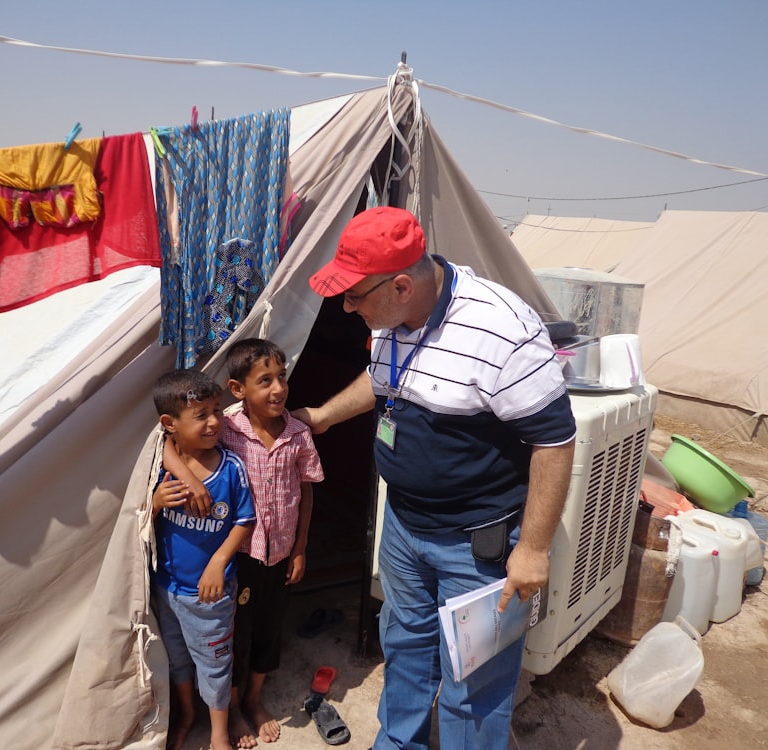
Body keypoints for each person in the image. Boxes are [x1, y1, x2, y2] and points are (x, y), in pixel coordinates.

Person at [294, 206, 577, 750]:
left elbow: (554, 441)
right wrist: (324, 415)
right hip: (404, 526)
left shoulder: (502, 331)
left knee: (474, 679)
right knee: (404, 646)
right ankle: (398, 743)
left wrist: (535, 548)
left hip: (478, 543)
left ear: (401, 286)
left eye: (354, 295)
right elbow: (384, 385)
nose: (345, 306)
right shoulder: (390, 321)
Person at [218, 337, 326, 748]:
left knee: (268, 628)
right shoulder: (226, 428)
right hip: (239, 556)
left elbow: (308, 489)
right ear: (238, 389)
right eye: (265, 380)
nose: (278, 388)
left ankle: (254, 699)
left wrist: (300, 547)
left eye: (282, 377)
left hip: (279, 553)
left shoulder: (298, 435)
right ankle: (228, 707)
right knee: (234, 632)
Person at [150, 369, 256, 750]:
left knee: (214, 665)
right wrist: (157, 503)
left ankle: (218, 735)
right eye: (201, 415)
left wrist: (219, 562)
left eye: (217, 410)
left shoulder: (230, 469)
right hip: (166, 589)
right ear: (170, 424)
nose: (214, 421)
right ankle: (187, 715)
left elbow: (245, 519)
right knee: (177, 659)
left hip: (209, 595)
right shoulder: (160, 470)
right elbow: (138, 515)